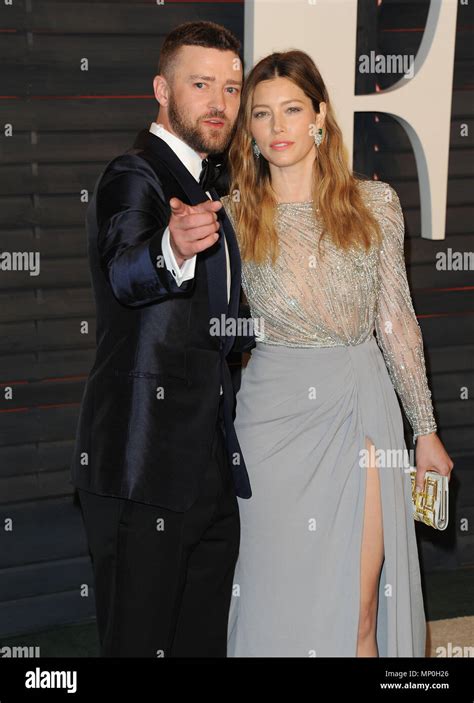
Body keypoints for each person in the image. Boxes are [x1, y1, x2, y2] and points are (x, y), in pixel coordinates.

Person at [220, 50, 454, 657]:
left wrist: (424, 429)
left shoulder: (374, 204)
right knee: (275, 605)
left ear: (320, 115)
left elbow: (396, 322)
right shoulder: (232, 218)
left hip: (361, 412)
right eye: (263, 114)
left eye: (292, 109)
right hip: (271, 427)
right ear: (249, 128)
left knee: (360, 609)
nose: (278, 127)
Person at [70, 21, 250, 657]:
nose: (219, 103)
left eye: (231, 87)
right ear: (161, 89)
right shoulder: (134, 175)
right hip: (138, 465)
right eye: (201, 85)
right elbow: (126, 268)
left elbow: (223, 325)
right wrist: (170, 248)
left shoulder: (208, 186)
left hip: (204, 466)